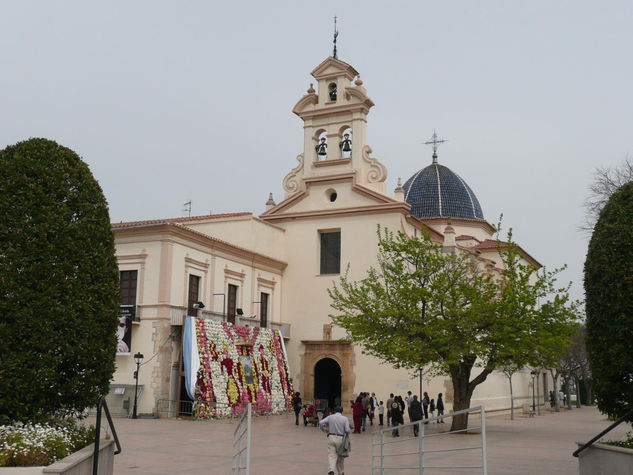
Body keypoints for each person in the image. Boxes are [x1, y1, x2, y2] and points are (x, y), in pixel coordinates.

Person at [319, 406, 351, 475]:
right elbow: (347, 430)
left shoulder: (330, 417)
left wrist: (323, 429)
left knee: (332, 455)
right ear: (342, 411)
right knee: (340, 456)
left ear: (335, 410)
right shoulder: (345, 419)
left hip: (331, 437)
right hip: (341, 439)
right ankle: (341, 472)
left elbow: (321, 422)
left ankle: (331, 470)